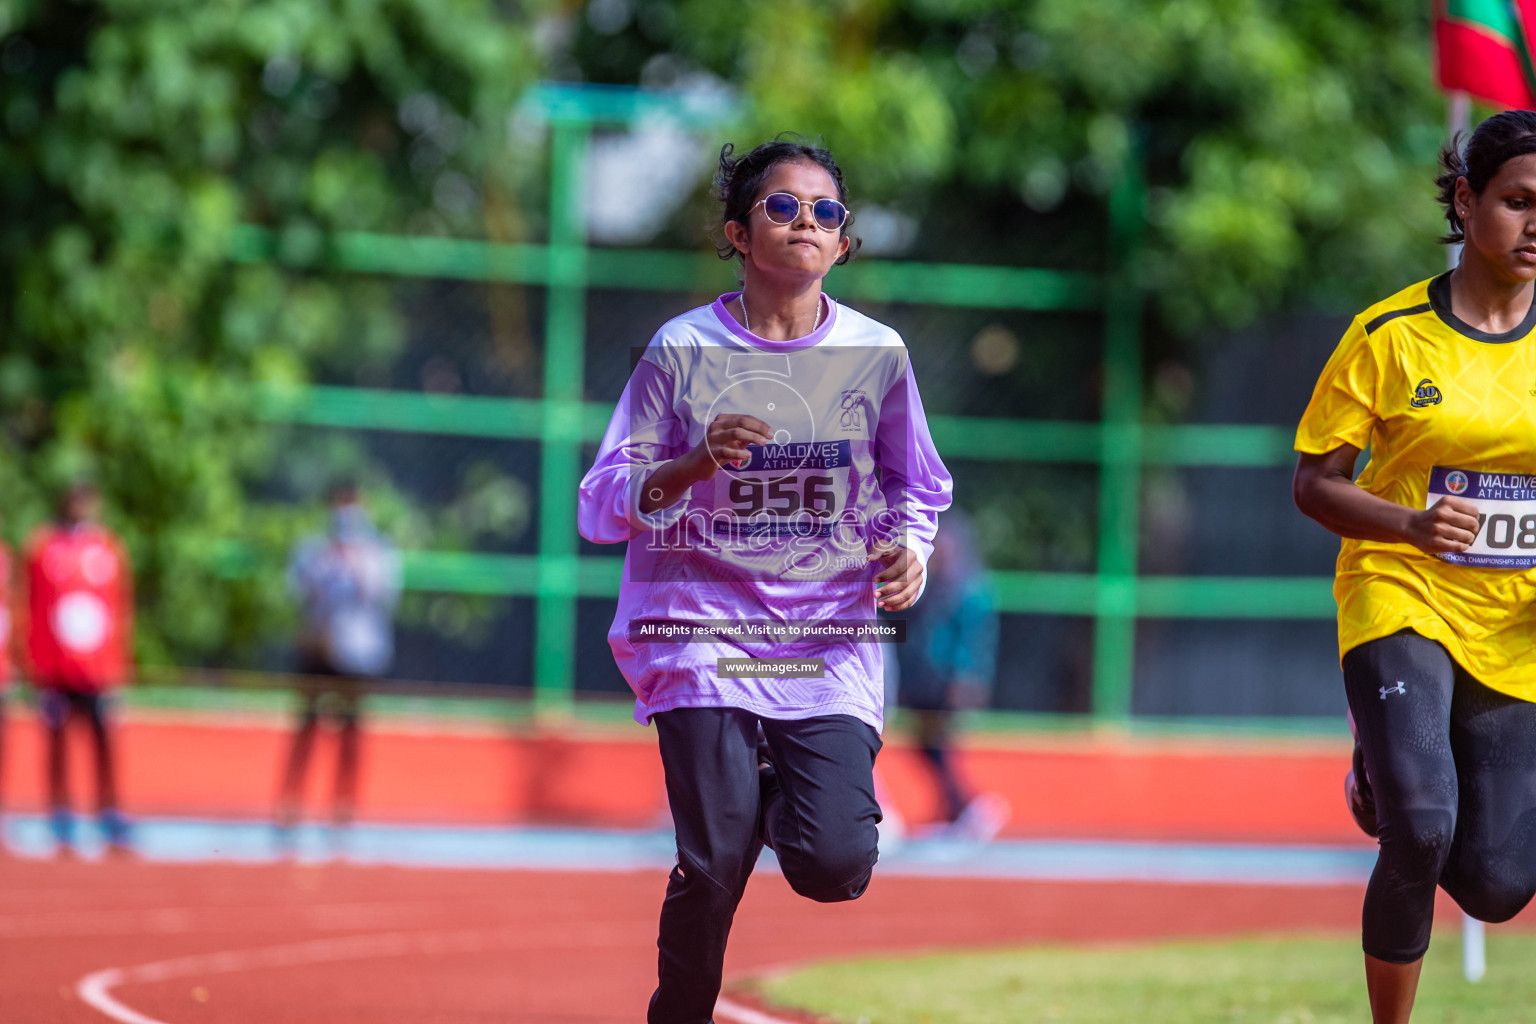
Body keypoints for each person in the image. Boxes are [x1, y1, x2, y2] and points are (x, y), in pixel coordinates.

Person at [578, 137, 953, 1023]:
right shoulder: (681, 350)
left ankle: (770, 780)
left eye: (826, 213)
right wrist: (694, 462)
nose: (806, 225)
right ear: (739, 234)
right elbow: (602, 502)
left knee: (834, 867)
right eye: (783, 208)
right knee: (712, 864)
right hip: (698, 630)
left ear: (844, 244)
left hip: (824, 643)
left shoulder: (877, 352)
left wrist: (911, 550)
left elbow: (918, 486)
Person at [1293, 109, 1536, 1023]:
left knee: (1500, 886)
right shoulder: (1389, 336)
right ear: (1468, 203)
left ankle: (1381, 770)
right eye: (1518, 202)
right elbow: (1314, 485)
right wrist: (1409, 524)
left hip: (1516, 622)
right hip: (1403, 592)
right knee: (1422, 826)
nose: (1535, 225)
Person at [275, 481, 400, 847]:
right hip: (318, 650)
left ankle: (342, 810)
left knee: (351, 733)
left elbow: (381, 595)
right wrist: (329, 560)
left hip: (359, 654)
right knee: (306, 728)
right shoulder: (314, 549)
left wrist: (355, 559)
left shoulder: (378, 551)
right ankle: (291, 805)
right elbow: (298, 591)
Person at [24, 482, 133, 855]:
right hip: (57, 671)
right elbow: (35, 611)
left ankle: (110, 814)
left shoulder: (108, 549)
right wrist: (37, 669)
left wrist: (118, 671)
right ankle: (62, 816)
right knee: (58, 746)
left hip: (98, 672)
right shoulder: (43, 547)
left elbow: (118, 613)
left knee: (103, 745)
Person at [889, 509, 1007, 839]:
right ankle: (954, 806)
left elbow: (977, 641)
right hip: (924, 680)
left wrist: (969, 679)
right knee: (926, 744)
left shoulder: (970, 590)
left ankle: (968, 805)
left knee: (938, 745)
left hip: (949, 681)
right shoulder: (930, 588)